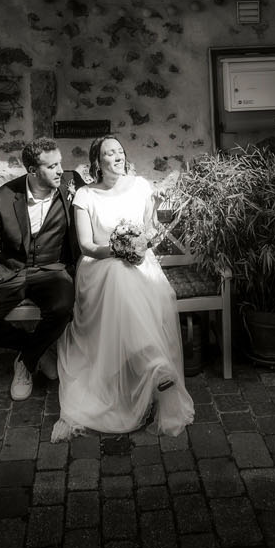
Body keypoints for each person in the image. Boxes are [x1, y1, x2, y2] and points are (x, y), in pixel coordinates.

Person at [51, 136, 195, 441]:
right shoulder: (85, 196)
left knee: (128, 276)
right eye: (108, 153)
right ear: (97, 164)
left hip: (140, 262)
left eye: (119, 151)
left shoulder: (141, 186)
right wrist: (117, 250)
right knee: (119, 275)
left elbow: (151, 227)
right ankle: (153, 364)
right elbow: (87, 245)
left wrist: (140, 244)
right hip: (99, 266)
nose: (116, 156)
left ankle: (151, 366)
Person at [0, 138, 85, 401]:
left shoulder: (71, 182)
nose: (60, 171)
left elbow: (98, 198)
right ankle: (36, 351)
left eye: (60, 163)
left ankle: (24, 363)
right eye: (52, 166)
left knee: (62, 308)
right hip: (12, 272)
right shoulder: (3, 197)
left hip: (53, 271)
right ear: (32, 171)